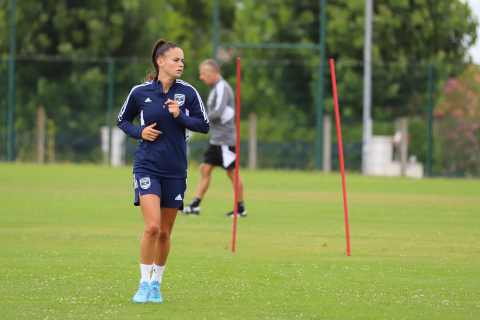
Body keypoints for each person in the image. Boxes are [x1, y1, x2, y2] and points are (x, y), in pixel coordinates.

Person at [117, 39, 209, 304]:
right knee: (152, 227)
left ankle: (156, 284)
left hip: (175, 169)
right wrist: (139, 132)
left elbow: (203, 125)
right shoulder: (139, 92)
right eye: (176, 60)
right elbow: (123, 120)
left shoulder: (188, 92)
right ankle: (143, 283)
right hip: (147, 165)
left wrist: (181, 115)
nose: (181, 64)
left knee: (166, 233)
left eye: (182, 61)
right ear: (160, 62)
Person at [181, 59, 246, 218]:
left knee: (232, 173)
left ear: (213, 72)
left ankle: (240, 208)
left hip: (225, 140)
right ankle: (195, 206)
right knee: (205, 168)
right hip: (216, 140)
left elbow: (217, 112)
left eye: (203, 73)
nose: (201, 77)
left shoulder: (222, 87)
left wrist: (197, 121)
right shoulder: (216, 88)